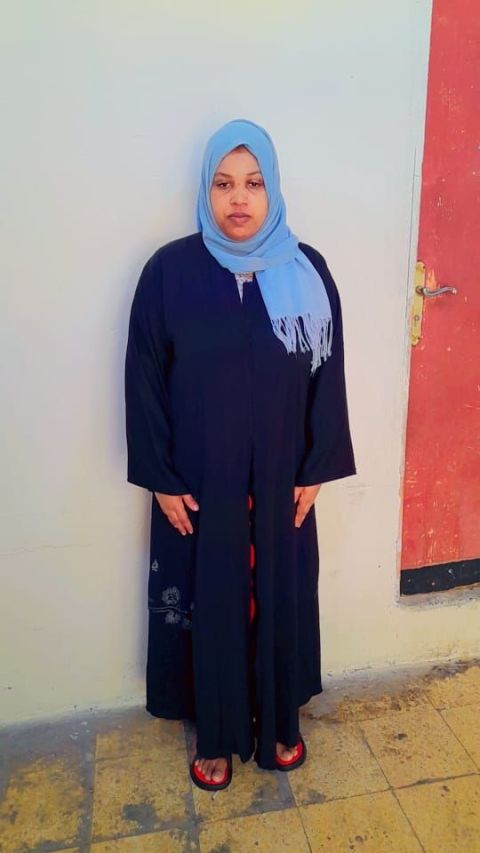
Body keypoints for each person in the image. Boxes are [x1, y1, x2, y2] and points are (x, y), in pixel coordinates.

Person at [124, 118, 356, 792]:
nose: (238, 198)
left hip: (283, 476)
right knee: (214, 598)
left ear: (272, 189)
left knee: (279, 591)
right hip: (201, 481)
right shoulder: (170, 273)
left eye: (253, 183)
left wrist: (317, 465)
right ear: (206, 190)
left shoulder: (307, 270)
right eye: (224, 184)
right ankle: (218, 732)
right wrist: (160, 478)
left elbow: (328, 373)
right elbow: (143, 378)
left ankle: (280, 718)